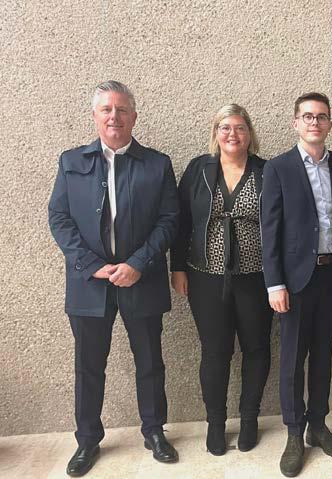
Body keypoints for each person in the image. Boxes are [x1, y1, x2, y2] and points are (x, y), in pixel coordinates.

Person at [48, 80, 180, 477]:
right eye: (106, 109)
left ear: (134, 117)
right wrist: (90, 264)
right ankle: (87, 439)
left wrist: (138, 263)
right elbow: (59, 217)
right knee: (88, 366)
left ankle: (154, 432)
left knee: (150, 363)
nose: (114, 116)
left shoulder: (157, 164)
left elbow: (169, 220)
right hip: (89, 284)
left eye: (121, 110)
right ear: (95, 116)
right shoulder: (71, 161)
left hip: (142, 278)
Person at [260, 92, 332, 477]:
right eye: (308, 116)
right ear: (296, 123)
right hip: (295, 281)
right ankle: (294, 432)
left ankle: (318, 424)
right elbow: (270, 230)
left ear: (329, 123)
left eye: (321, 116)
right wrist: (274, 284)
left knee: (323, 355)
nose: (315, 122)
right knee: (293, 359)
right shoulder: (278, 167)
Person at [170, 104, 272, 455]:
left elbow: (280, 223)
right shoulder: (199, 169)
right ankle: (216, 423)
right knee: (215, 352)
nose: (232, 134)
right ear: (216, 133)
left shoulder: (266, 171)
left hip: (256, 279)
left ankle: (249, 418)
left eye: (240, 127)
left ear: (250, 133)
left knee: (257, 349)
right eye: (225, 127)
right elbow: (181, 221)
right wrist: (177, 267)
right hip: (206, 278)